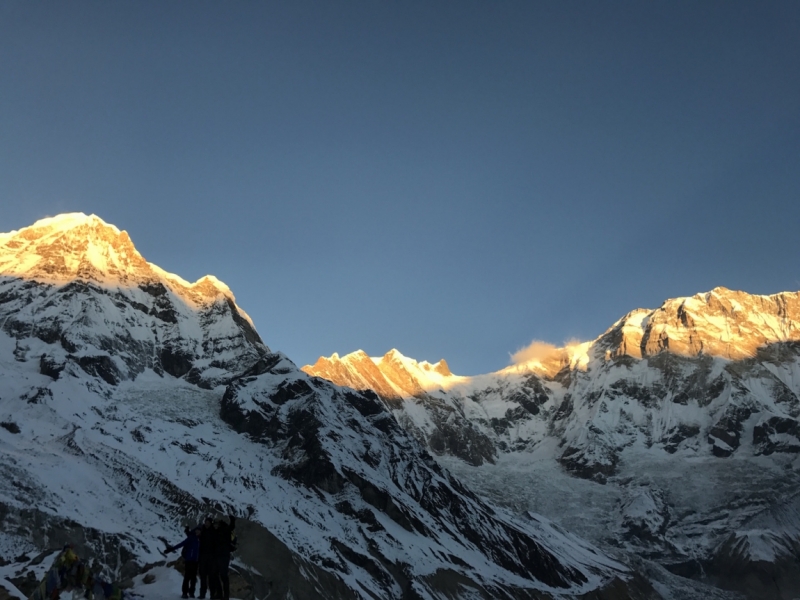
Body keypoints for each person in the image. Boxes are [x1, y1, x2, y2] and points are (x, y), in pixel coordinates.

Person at [165, 526, 201, 598]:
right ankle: (184, 593)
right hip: (189, 560)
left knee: (193, 578)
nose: (197, 531)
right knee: (187, 576)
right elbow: (182, 544)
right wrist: (172, 549)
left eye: (199, 530)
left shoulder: (201, 539)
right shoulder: (191, 538)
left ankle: (191, 593)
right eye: (197, 530)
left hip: (196, 561)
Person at [210, 514, 236, 600]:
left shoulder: (225, 530)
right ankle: (220, 594)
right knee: (214, 574)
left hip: (224, 556)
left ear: (219, 524)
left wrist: (232, 520)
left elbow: (231, 527)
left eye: (216, 524)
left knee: (223, 575)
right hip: (217, 556)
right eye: (214, 524)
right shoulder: (215, 532)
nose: (215, 526)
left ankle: (226, 596)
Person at [197, 517, 215, 600]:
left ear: (211, 523)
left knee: (211, 577)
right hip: (203, 556)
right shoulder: (202, 531)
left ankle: (212, 595)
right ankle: (202, 594)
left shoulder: (213, 531)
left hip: (210, 557)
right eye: (206, 522)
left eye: (208, 522)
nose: (206, 523)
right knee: (203, 576)